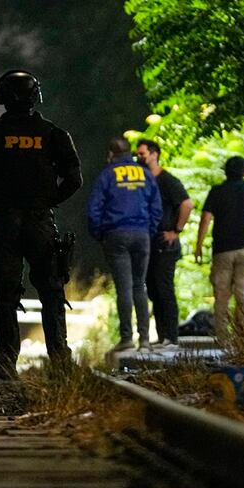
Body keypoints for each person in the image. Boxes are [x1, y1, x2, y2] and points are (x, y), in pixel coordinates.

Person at [0, 69, 82, 379]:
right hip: (41, 221)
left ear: (1, 97)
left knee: (5, 294)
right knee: (52, 292)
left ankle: (6, 361)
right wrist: (47, 200)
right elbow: (74, 179)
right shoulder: (54, 134)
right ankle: (59, 360)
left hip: (4, 223)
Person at [88, 137, 161, 351]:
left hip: (116, 235)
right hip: (142, 235)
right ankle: (145, 340)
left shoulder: (107, 175)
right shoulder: (145, 174)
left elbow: (94, 209)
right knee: (140, 285)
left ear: (111, 154)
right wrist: (149, 230)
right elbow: (156, 207)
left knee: (124, 288)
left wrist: (100, 233)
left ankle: (127, 338)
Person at [193, 155, 244, 343]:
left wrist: (198, 246)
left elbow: (205, 219)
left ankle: (223, 339)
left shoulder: (217, 192)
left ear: (226, 171)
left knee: (222, 295)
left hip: (222, 250)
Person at [136, 139, 194, 348]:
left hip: (164, 243)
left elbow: (187, 205)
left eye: (142, 154)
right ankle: (162, 336)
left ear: (154, 154)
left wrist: (175, 231)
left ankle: (171, 336)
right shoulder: (142, 179)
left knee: (164, 289)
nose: (139, 158)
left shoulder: (168, 180)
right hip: (148, 242)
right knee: (153, 290)